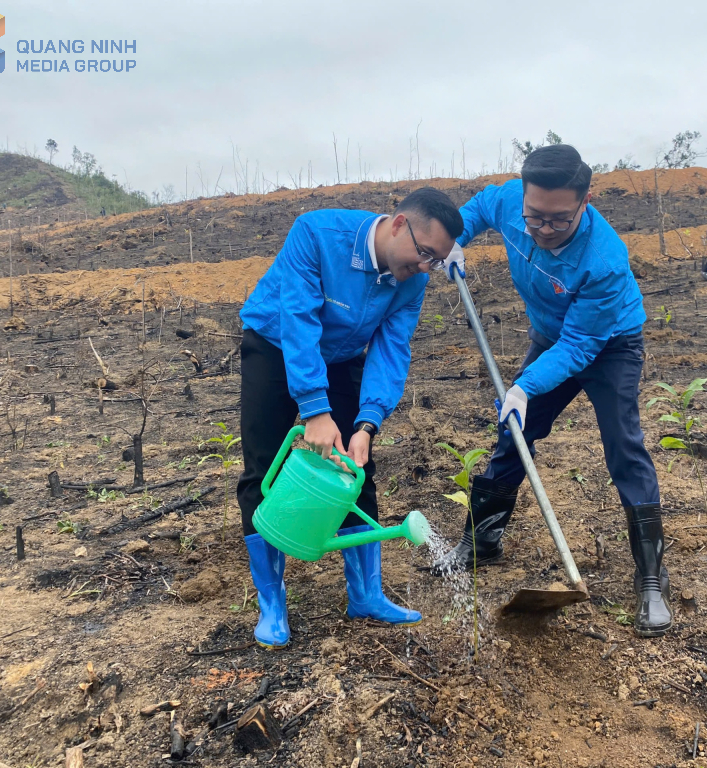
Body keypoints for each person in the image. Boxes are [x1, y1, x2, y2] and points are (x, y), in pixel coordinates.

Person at [431, 145, 670, 638]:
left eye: (559, 220)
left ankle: (651, 578)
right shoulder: (512, 202)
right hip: (548, 335)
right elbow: (478, 208)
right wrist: (455, 240)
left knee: (624, 447)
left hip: (609, 344)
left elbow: (581, 344)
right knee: (514, 434)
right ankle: (481, 541)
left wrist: (525, 386)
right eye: (534, 216)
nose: (543, 229)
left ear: (585, 202)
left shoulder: (604, 258)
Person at [237, 188, 464, 648]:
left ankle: (366, 595)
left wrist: (366, 424)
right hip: (275, 342)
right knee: (264, 467)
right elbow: (298, 318)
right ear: (398, 224)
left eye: (436, 262)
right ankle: (272, 602)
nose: (425, 267)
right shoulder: (318, 234)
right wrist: (315, 410)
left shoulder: (412, 280)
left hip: (341, 356)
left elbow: (392, 348)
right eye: (424, 253)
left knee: (357, 471)